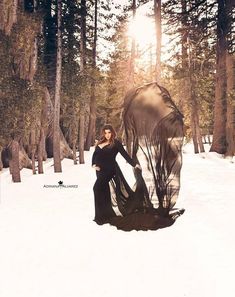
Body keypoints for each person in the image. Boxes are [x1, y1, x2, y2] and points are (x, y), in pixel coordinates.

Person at [92, 124, 141, 225]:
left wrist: (134, 164)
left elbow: (125, 155)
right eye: (105, 133)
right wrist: (93, 165)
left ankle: (102, 216)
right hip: (100, 171)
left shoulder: (116, 143)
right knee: (103, 190)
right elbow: (95, 154)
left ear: (112, 132)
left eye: (109, 132)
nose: (107, 135)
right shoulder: (101, 142)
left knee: (96, 188)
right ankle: (104, 215)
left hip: (110, 169)